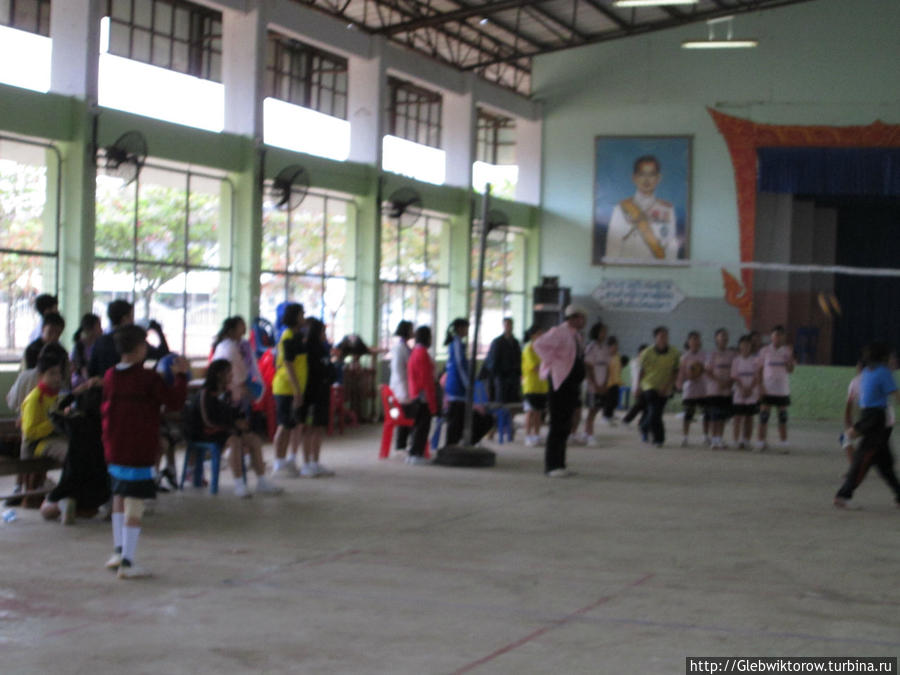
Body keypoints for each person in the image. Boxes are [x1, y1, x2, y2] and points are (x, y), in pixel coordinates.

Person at [101, 324, 188, 579]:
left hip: (114, 447)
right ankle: (128, 562)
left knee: (119, 496)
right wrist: (181, 376)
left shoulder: (110, 375)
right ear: (140, 348)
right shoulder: (148, 378)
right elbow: (174, 402)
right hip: (137, 449)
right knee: (135, 505)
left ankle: (118, 551)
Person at [191, 359, 282, 498]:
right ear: (219, 375)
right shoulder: (206, 393)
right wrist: (233, 425)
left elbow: (230, 413)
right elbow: (207, 420)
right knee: (234, 441)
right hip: (205, 431)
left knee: (254, 440)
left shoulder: (226, 393)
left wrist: (240, 421)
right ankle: (239, 485)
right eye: (229, 373)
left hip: (224, 430)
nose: (232, 376)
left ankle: (262, 481)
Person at [834, 342, 900, 510]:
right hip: (876, 419)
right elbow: (896, 396)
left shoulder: (866, 372)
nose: (892, 359)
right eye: (889, 356)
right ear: (883, 357)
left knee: (885, 464)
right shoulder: (883, 372)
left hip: (868, 416)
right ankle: (843, 495)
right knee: (864, 458)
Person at [533, 305, 587, 477]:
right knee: (557, 423)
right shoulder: (559, 332)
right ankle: (551, 466)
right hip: (560, 383)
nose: (584, 321)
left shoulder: (575, 335)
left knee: (565, 424)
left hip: (571, 384)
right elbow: (538, 345)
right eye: (581, 318)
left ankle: (560, 464)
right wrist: (552, 362)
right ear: (572, 318)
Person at [21, 346, 73, 522]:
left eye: (58, 373)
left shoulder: (55, 396)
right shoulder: (36, 398)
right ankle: (62, 495)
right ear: (40, 376)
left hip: (52, 439)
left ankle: (70, 492)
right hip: (36, 444)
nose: (57, 378)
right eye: (51, 374)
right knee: (69, 453)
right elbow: (29, 432)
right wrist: (54, 422)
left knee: (80, 449)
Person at [605, 155, 679, 261]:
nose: (646, 180)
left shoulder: (667, 209)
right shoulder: (621, 208)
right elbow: (613, 245)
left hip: (657, 269)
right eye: (642, 174)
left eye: (651, 175)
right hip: (627, 268)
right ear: (634, 178)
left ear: (658, 178)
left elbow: (671, 245)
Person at [443, 318, 493, 447]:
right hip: (457, 386)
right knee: (456, 418)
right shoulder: (456, 344)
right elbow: (460, 365)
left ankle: (457, 442)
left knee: (459, 417)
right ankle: (452, 445)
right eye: (466, 328)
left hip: (458, 385)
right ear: (460, 328)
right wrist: (467, 384)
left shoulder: (457, 343)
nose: (467, 331)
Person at [88, 299, 169, 378]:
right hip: (132, 387)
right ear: (125, 319)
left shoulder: (100, 342)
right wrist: (158, 330)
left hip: (106, 388)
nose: (133, 321)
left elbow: (91, 371)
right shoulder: (133, 341)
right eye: (132, 316)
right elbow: (161, 355)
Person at [297, 318, 336, 477]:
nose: (324, 335)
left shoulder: (322, 348)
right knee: (308, 429)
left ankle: (315, 461)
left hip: (322, 393)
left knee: (318, 428)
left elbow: (329, 368)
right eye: (322, 332)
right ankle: (306, 463)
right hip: (311, 394)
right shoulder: (307, 349)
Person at [270, 303, 306, 477]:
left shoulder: (297, 336)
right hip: (286, 388)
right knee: (284, 426)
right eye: (301, 314)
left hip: (294, 387)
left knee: (291, 425)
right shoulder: (288, 337)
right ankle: (278, 462)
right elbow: (289, 365)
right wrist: (297, 391)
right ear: (295, 317)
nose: (304, 317)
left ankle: (285, 460)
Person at [637, 327, 680, 447]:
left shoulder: (674, 353)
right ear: (655, 338)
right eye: (661, 336)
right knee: (654, 410)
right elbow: (642, 371)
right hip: (649, 385)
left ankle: (644, 426)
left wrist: (668, 386)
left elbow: (675, 371)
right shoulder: (647, 352)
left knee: (657, 413)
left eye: (666, 336)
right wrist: (638, 386)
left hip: (665, 386)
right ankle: (659, 438)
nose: (664, 339)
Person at [211, 316, 263, 412]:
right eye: (241, 325)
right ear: (232, 331)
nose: (244, 327)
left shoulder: (239, 344)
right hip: (235, 391)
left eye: (244, 324)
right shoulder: (229, 347)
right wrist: (247, 390)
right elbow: (237, 374)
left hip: (235, 388)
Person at [756, 325, 795, 452]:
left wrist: (789, 360)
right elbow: (759, 370)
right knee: (764, 416)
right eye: (775, 335)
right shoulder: (764, 351)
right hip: (768, 388)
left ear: (784, 337)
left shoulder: (787, 351)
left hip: (782, 389)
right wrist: (760, 386)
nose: (777, 338)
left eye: (780, 335)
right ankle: (761, 442)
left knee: (783, 416)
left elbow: (790, 370)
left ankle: (784, 443)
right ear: (771, 337)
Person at [406, 325, 438, 465]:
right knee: (422, 427)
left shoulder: (416, 352)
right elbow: (426, 380)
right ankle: (416, 454)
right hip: (422, 397)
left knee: (418, 426)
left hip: (416, 395)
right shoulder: (422, 354)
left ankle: (414, 453)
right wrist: (432, 401)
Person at [705, 328, 735, 450]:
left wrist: (729, 382)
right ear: (716, 339)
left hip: (727, 389)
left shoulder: (732, 354)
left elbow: (734, 371)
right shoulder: (712, 354)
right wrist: (719, 381)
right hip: (714, 390)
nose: (724, 339)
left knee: (722, 416)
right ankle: (713, 439)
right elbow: (707, 371)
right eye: (721, 336)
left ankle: (720, 439)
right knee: (714, 415)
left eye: (725, 336)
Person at [482, 317, 522, 407]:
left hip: (513, 377)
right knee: (501, 403)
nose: (509, 327)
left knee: (512, 402)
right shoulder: (497, 342)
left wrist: (518, 373)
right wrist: (496, 376)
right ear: (503, 326)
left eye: (510, 325)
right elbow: (493, 361)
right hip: (501, 378)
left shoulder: (515, 342)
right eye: (507, 325)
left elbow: (518, 358)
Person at [676, 331, 707, 447]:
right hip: (689, 389)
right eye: (693, 339)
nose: (695, 341)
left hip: (703, 388)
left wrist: (699, 372)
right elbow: (681, 373)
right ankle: (685, 437)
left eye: (697, 339)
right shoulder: (684, 357)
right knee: (688, 413)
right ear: (688, 342)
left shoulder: (704, 355)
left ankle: (705, 436)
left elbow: (706, 369)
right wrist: (680, 383)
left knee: (705, 414)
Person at [388, 320, 415, 453]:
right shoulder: (400, 348)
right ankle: (402, 443)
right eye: (411, 329)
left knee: (407, 415)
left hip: (404, 387)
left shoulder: (404, 347)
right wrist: (406, 389)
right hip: (402, 388)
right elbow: (399, 371)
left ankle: (403, 444)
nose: (413, 332)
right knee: (407, 415)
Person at [730, 334, 761, 450]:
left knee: (749, 417)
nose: (745, 347)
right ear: (739, 347)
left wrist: (750, 388)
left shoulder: (755, 360)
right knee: (738, 417)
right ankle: (736, 440)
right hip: (739, 392)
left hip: (752, 392)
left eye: (748, 345)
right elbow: (734, 377)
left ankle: (746, 440)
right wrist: (742, 388)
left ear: (751, 346)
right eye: (743, 345)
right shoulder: (736, 361)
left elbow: (757, 376)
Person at [582, 321, 609, 445]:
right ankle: (589, 433)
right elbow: (588, 367)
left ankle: (587, 432)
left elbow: (608, 366)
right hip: (594, 381)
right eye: (602, 331)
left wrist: (605, 383)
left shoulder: (605, 347)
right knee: (592, 409)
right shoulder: (591, 347)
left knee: (597, 408)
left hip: (602, 378)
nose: (604, 334)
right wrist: (594, 383)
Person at [521, 326, 548, 447]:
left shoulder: (543, 349)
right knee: (530, 412)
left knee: (539, 412)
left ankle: (536, 435)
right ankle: (528, 435)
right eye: (539, 333)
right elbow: (535, 366)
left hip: (542, 385)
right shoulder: (528, 349)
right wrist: (546, 369)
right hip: (530, 385)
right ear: (532, 336)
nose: (541, 336)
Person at [70, 313, 102, 389]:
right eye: (99, 326)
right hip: (81, 384)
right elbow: (82, 368)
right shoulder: (79, 346)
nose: (101, 329)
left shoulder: (98, 344)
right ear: (91, 329)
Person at [622, 343, 649, 426]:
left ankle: (641, 421)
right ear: (639, 353)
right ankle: (627, 419)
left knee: (644, 405)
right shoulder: (636, 363)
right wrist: (637, 387)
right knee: (639, 405)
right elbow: (637, 376)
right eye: (643, 352)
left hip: (645, 387)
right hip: (638, 386)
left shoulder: (641, 362)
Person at [602, 337, 624, 426]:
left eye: (617, 346)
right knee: (609, 400)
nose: (616, 347)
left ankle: (610, 414)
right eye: (615, 346)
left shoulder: (617, 355)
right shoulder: (606, 356)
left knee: (614, 400)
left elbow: (619, 367)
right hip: (608, 382)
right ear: (609, 347)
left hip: (616, 381)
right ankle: (606, 416)